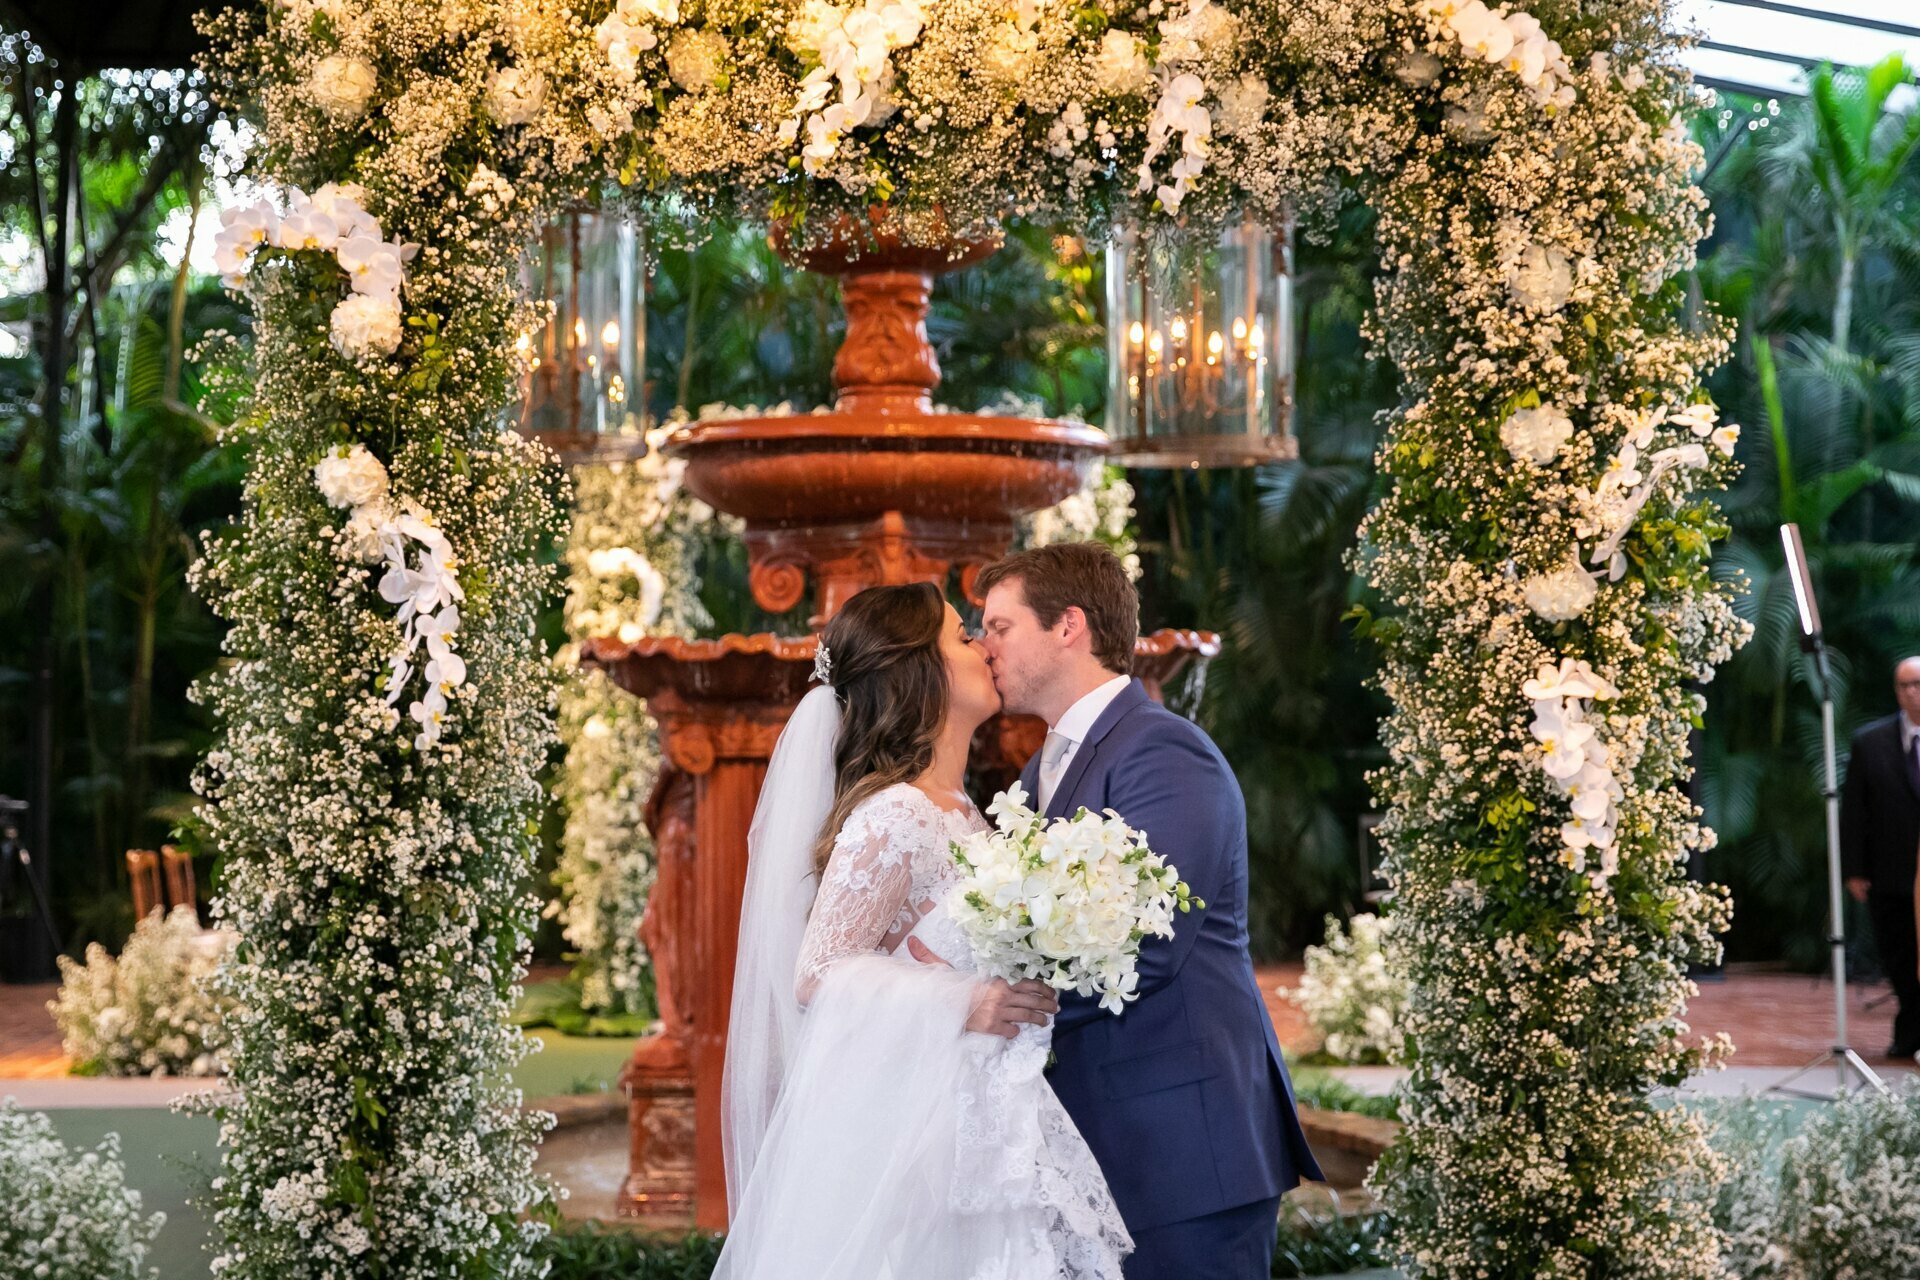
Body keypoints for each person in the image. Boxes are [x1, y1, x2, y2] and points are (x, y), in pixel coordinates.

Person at [715, 581, 1131, 1280]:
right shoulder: (895, 816)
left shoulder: (961, 810)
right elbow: (817, 973)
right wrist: (962, 1002)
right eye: (961, 635)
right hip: (920, 1148)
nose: (982, 645)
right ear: (920, 672)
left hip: (979, 1125)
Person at [954, 542, 1323, 1280]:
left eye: (998, 625)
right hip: (1105, 1140)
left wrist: (1003, 1008)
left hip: (1184, 1146)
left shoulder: (1163, 752)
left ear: (1069, 627)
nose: (981, 643)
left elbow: (1147, 944)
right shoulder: (1041, 768)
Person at [1841, 655, 1920, 1060]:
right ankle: (1910, 1029)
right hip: (1890, 871)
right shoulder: (1870, 742)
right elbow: (1855, 811)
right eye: (1904, 685)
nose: (1912, 692)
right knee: (1900, 953)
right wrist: (1854, 869)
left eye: (1918, 684)